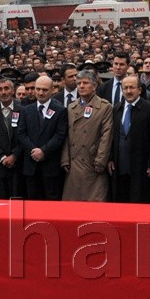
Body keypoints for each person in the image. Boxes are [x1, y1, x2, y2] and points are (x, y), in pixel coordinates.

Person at [61, 69, 113, 201]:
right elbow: (66, 135)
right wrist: (65, 158)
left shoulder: (104, 107)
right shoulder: (71, 107)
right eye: (78, 83)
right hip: (74, 163)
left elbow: (106, 135)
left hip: (92, 162)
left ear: (94, 86)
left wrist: (101, 160)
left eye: (85, 83)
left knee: (94, 203)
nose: (81, 86)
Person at [16, 76, 67, 201]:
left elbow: (60, 135)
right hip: (31, 164)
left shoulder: (60, 110)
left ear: (51, 90)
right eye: (37, 89)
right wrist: (34, 150)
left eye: (44, 90)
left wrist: (43, 151)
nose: (40, 93)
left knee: (52, 200)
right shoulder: (26, 110)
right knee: (32, 200)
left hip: (50, 164)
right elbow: (21, 134)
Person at [110, 75, 150, 204]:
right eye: (125, 88)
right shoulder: (116, 109)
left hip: (141, 165)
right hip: (121, 164)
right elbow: (113, 137)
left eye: (132, 87)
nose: (129, 91)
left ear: (140, 90)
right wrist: (111, 158)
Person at [0, 77, 23, 200]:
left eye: (6, 88)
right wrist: (2, 157)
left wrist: (14, 156)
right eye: (0, 89)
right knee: (1, 202)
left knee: (17, 202)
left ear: (12, 90)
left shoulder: (22, 109)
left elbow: (25, 136)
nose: (3, 92)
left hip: (18, 164)